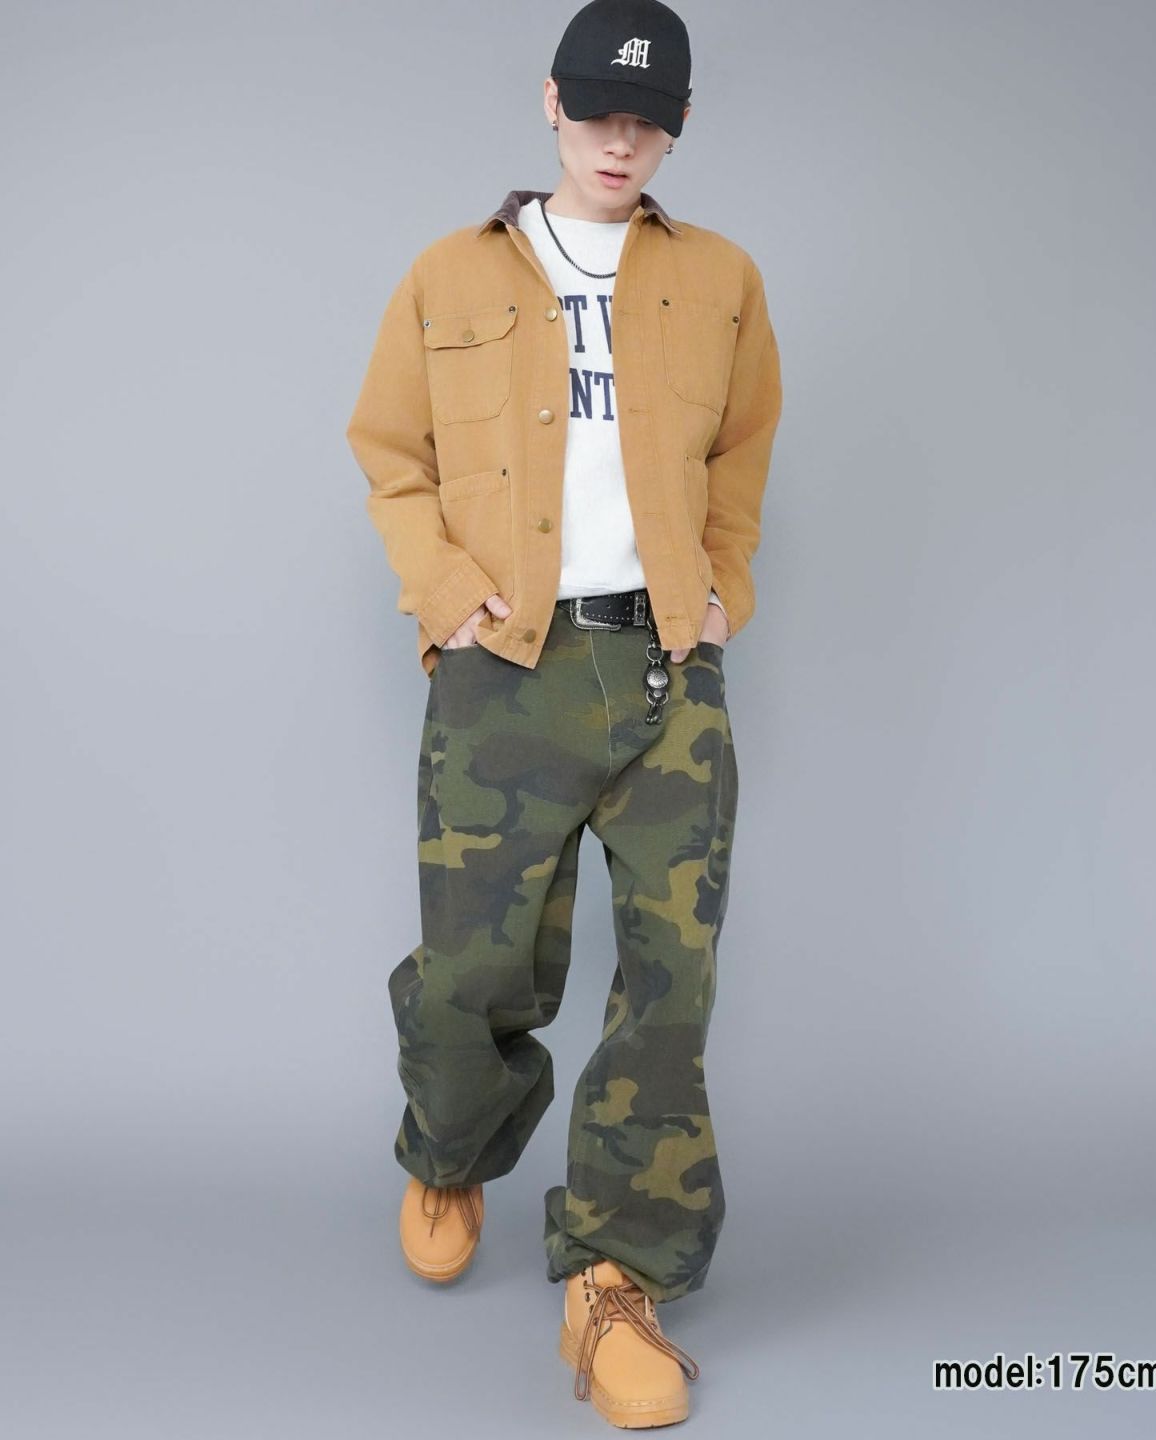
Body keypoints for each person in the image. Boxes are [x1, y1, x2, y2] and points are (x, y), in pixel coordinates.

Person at [345, 0, 782, 1425]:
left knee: (671, 983)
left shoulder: (720, 278)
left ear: (677, 129)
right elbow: (391, 454)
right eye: (597, 110)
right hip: (505, 670)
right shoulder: (450, 274)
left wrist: (723, 586)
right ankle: (449, 1143)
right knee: (480, 967)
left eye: (647, 119)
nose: (618, 139)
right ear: (550, 103)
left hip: (665, 671)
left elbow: (741, 451)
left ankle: (616, 1282)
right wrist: (444, 594)